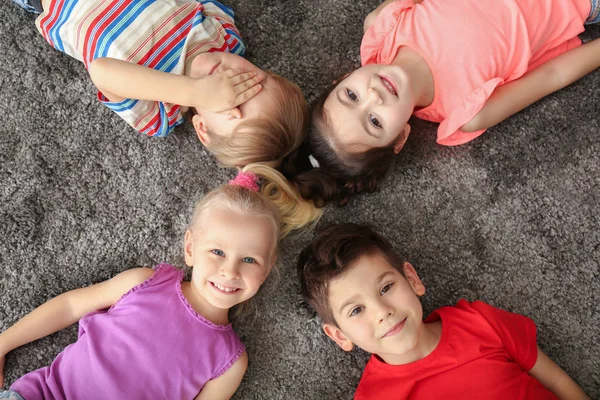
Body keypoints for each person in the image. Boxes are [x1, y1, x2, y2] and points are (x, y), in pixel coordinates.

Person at [0, 169, 313, 400]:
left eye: (249, 260)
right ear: (190, 249)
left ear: (268, 269)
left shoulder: (229, 361)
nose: (229, 271)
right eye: (217, 252)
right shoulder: (145, 283)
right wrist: (4, 343)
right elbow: (70, 305)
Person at [278, 0, 600, 205]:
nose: (373, 97)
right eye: (375, 121)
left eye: (351, 95)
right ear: (401, 137)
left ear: (342, 79)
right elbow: (552, 75)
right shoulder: (465, 112)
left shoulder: (382, 26)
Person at [297, 223, 591, 399]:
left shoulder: (479, 320)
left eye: (386, 288)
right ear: (339, 335)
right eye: (357, 310)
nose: (382, 311)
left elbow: (556, 381)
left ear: (412, 279)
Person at [10, 0, 307, 168]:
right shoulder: (225, 38)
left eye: (231, 102)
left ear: (203, 128)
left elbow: (102, 71)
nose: (226, 82)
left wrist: (194, 90)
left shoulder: (160, 111)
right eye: (248, 83)